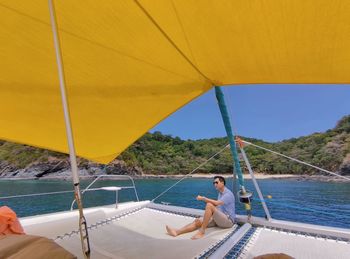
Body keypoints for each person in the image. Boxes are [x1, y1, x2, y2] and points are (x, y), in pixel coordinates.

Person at [166, 176, 235, 240]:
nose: (215, 184)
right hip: (220, 219)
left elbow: (216, 203)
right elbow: (218, 206)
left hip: (228, 221)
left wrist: (203, 198)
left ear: (222, 183)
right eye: (213, 183)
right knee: (198, 221)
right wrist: (207, 216)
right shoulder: (220, 193)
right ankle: (177, 232)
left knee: (209, 205)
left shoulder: (228, 194)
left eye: (216, 182)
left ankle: (201, 232)